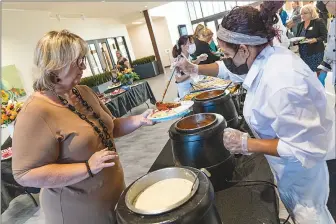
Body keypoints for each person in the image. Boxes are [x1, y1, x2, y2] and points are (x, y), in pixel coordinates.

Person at [174, 2, 335, 223]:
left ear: (243, 49)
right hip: (286, 170)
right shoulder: (263, 56)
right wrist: (195, 68)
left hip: (304, 177)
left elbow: (305, 147)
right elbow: (228, 70)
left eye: (227, 53)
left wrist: (247, 144)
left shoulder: (282, 83)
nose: (225, 59)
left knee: (310, 215)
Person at [12, 30, 155, 224]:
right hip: (77, 211)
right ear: (55, 64)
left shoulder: (83, 92)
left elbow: (107, 129)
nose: (84, 67)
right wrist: (87, 167)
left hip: (112, 195)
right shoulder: (35, 112)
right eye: (77, 62)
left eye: (83, 60)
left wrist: (138, 120)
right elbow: (25, 175)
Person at [296, 4, 328, 72]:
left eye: (305, 13)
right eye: (301, 14)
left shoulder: (318, 22)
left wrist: (316, 39)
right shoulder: (300, 25)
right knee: (306, 72)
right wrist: (295, 42)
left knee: (317, 72)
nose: (302, 15)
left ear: (311, 13)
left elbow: (325, 36)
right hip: (303, 53)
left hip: (315, 52)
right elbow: (297, 37)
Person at [318, 1, 335, 90]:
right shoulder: (333, 21)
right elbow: (331, 48)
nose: (326, 7)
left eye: (326, 4)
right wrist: (324, 69)